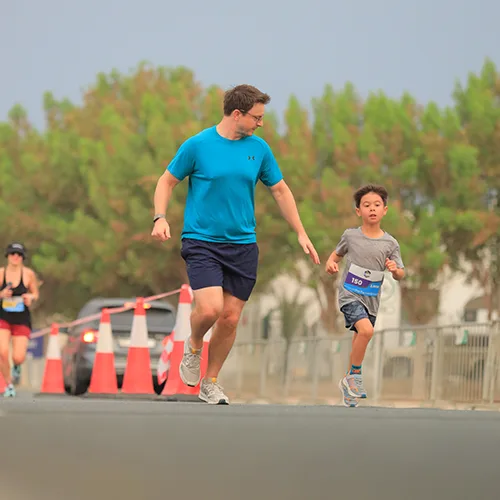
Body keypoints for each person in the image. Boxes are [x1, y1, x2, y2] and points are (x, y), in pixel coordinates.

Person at [152, 84, 320, 404]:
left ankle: (210, 381)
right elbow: (167, 181)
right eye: (256, 117)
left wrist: (301, 232)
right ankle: (194, 344)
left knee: (229, 317)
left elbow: (281, 191)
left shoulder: (259, 149)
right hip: (201, 241)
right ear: (237, 114)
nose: (260, 124)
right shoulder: (198, 145)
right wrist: (160, 217)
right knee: (211, 308)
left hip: (243, 245)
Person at [325, 185, 405, 407]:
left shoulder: (390, 243)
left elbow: (400, 273)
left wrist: (394, 269)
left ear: (385, 210)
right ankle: (355, 376)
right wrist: (331, 263)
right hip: (350, 294)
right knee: (367, 331)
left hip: (371, 298)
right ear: (358, 211)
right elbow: (336, 255)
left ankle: (349, 386)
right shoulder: (350, 236)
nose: (372, 209)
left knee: (360, 337)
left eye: (377, 205)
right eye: (366, 205)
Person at [0, 242, 39, 397]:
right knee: (2, 352)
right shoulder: (1, 273)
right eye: (13, 254)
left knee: (18, 356)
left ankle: (17, 366)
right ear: (8, 256)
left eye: (19, 255)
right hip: (3, 317)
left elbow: (35, 294)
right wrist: (2, 295)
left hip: (21, 318)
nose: (15, 257)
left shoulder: (28, 274)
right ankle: (8, 384)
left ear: (23, 258)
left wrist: (30, 297)